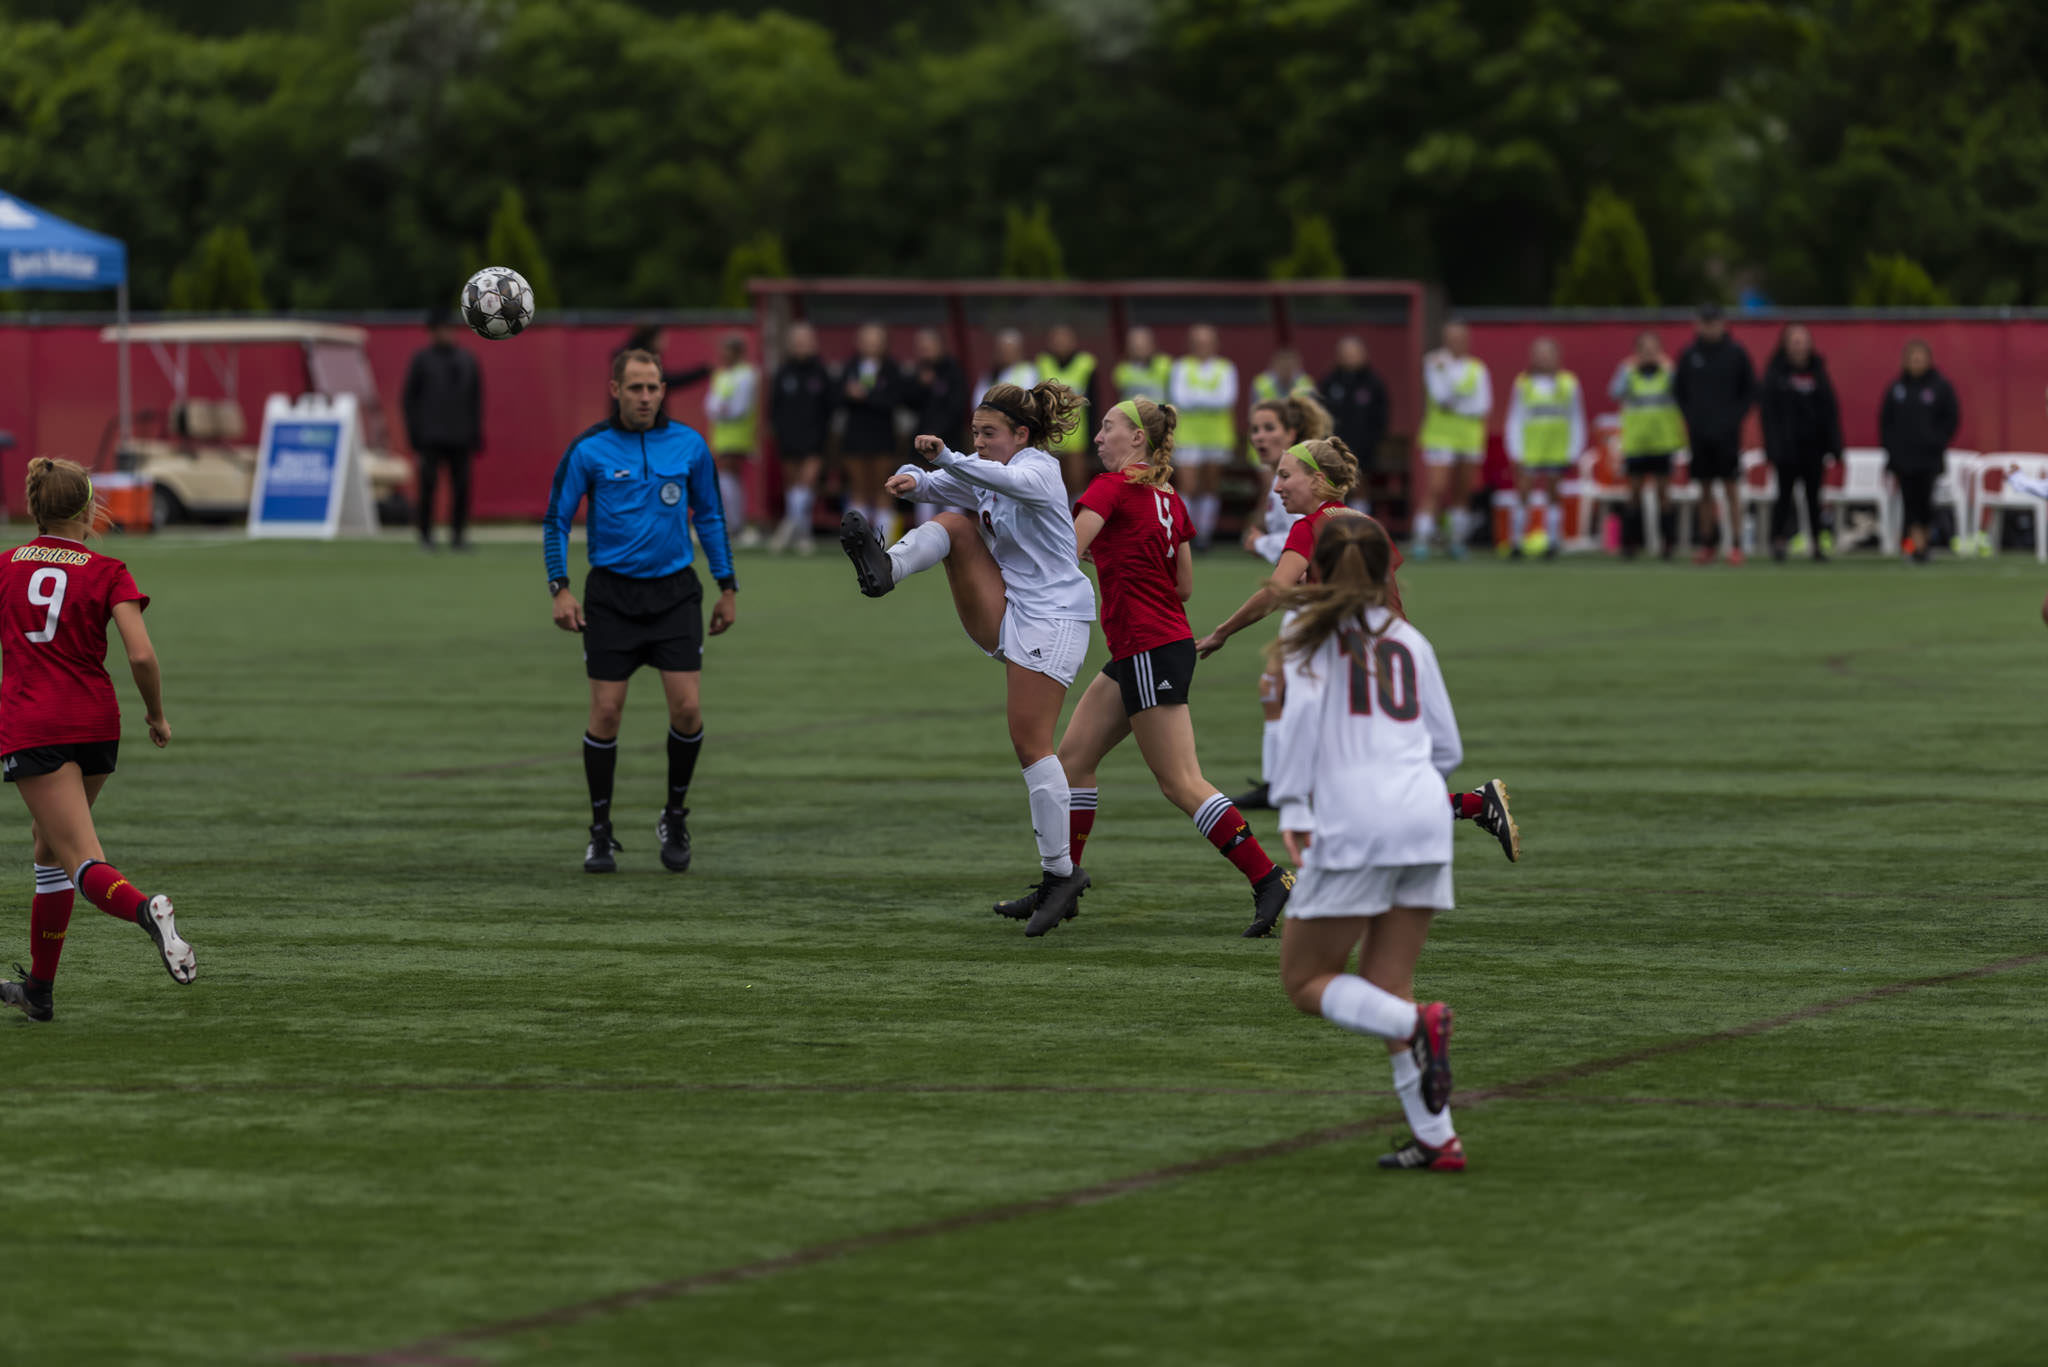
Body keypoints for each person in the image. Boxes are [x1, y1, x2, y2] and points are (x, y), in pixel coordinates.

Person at [1000, 397, 1293, 938]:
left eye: (1108, 427)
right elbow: (1182, 587)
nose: (1097, 437)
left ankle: (1269, 878)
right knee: (1072, 761)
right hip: (1154, 645)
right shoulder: (1168, 497)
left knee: (1181, 782)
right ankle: (1061, 882)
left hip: (1146, 647)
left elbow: (1066, 550)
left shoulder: (1110, 489)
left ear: (1137, 438)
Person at [838, 382, 1095, 932]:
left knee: (1032, 745)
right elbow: (941, 484)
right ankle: (886, 571)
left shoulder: (1038, 468)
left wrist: (948, 459)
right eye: (974, 432)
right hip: (1015, 607)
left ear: (1021, 435)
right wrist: (913, 479)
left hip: (1055, 617)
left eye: (988, 434)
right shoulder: (987, 466)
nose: (979, 443)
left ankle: (1061, 876)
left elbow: (986, 476)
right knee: (953, 523)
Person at [1197, 438, 1519, 864]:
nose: (1276, 487)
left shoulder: (1309, 527)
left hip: (1354, 661)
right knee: (1371, 773)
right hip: (1399, 655)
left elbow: (1276, 591)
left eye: (1285, 475)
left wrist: (1221, 632)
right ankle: (1473, 806)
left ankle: (1314, 822)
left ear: (1317, 479)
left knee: (1346, 771)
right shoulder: (1365, 523)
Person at [1271, 514, 1465, 1172]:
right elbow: (1448, 749)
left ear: (1315, 571)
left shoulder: (1303, 633)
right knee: (1388, 984)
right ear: (1390, 569)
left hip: (1356, 821)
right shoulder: (1411, 638)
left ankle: (1420, 1027)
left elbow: (1295, 722)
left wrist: (1293, 801)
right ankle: (1438, 1138)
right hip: (1425, 818)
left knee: (1304, 980)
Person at [0, 459, 194, 1022]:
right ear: (88, 510)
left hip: (35, 724)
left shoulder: (8, 566)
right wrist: (155, 715)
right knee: (48, 847)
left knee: (79, 858)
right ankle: (38, 990)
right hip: (95, 724)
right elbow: (140, 653)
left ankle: (147, 910)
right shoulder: (108, 570)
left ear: (34, 510)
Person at [544, 349, 738, 875]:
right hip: (612, 597)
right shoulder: (589, 448)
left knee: (689, 711)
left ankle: (674, 816)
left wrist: (727, 585)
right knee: (606, 714)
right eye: (636, 388)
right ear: (615, 390)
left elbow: (711, 516)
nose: (647, 397)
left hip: (676, 594)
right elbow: (556, 521)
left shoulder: (690, 445)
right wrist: (560, 588)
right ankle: (600, 832)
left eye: (654, 387)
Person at [1232, 392, 1334, 813]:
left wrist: (1262, 543)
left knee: (1285, 688)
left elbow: (1306, 541)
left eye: (1269, 428)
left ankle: (1288, 785)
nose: (1259, 436)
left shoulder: (1292, 480)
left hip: (1314, 597)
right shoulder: (1281, 478)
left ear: (1292, 433)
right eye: (1255, 429)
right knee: (1278, 688)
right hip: (1304, 597)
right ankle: (1284, 783)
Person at [1672, 303, 1756, 565]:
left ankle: (1736, 544)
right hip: (1700, 435)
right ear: (1697, 324)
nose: (1709, 327)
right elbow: (1679, 392)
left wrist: (1732, 419)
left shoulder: (1736, 353)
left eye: (1714, 321)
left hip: (1727, 436)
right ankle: (1708, 543)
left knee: (1731, 489)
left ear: (1723, 323)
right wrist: (1693, 419)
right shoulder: (1689, 355)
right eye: (1704, 322)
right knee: (1704, 490)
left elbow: (1750, 391)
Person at [1758, 323, 1843, 562]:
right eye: (1794, 340)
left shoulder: (1818, 372)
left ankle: (1817, 543)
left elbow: (1829, 410)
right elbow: (1768, 414)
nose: (1798, 345)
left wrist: (1835, 446)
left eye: (1802, 340)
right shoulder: (1776, 374)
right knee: (1784, 497)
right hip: (1785, 448)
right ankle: (1778, 541)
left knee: (1814, 497)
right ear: (1785, 344)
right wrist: (1772, 447)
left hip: (1813, 448)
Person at [402, 307, 483, 553]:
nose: (445, 334)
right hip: (430, 436)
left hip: (460, 436)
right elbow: (409, 401)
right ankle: (426, 534)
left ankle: (458, 535)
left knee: (462, 488)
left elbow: (476, 400)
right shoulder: (421, 361)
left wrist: (475, 434)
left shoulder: (467, 360)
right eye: (440, 330)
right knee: (428, 487)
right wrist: (414, 435)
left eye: (449, 329)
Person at [1411, 320, 1492, 559]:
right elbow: (1441, 396)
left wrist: (1457, 401)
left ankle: (1457, 541)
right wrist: (1463, 398)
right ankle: (1422, 540)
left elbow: (1483, 404)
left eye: (1460, 337)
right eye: (1451, 337)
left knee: (1462, 491)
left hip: (1469, 437)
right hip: (1440, 434)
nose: (1455, 342)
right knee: (1436, 488)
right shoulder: (1433, 361)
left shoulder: (1478, 367)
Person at [1501, 337, 1585, 558]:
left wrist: (1574, 448)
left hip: (1557, 448)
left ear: (1557, 356)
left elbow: (1576, 417)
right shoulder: (1523, 383)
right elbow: (1515, 417)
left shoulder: (1569, 383)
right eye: (1539, 353)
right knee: (1524, 492)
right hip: (1530, 448)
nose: (1544, 357)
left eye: (1548, 353)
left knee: (1553, 494)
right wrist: (1514, 448)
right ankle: (1517, 541)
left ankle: (1553, 541)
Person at [1879, 340, 1961, 565]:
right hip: (1903, 458)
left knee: (1925, 501)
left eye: (1920, 357)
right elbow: (1886, 422)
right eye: (1912, 357)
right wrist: (1892, 449)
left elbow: (1951, 418)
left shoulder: (1939, 386)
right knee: (1909, 502)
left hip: (1929, 458)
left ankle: (1924, 544)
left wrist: (1936, 441)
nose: (1916, 362)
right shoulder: (1897, 388)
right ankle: (1912, 545)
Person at [1609, 331, 1683, 558]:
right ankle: (1630, 543)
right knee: (1633, 493)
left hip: (1662, 442)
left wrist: (1669, 370)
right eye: (1644, 349)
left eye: (1653, 349)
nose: (1649, 354)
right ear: (1636, 352)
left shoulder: (1668, 372)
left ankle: (1668, 543)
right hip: (1637, 442)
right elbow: (1614, 392)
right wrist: (1627, 369)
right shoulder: (1629, 372)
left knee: (1664, 493)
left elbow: (1681, 390)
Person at [766, 322, 835, 555]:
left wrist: (823, 436)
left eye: (805, 341)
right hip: (789, 438)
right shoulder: (784, 372)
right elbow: (774, 407)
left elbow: (829, 408)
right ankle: (801, 533)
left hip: (814, 438)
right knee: (794, 487)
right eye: (797, 341)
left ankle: (790, 528)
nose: (801, 346)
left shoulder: (820, 372)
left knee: (806, 483)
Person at [1169, 323, 1239, 549]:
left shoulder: (1225, 367)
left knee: (1210, 485)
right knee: (1187, 485)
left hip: (1216, 436)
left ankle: (1204, 535)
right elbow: (1180, 398)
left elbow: (1226, 399)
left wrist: (1196, 397)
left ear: (1214, 344)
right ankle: (1185, 534)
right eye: (1197, 342)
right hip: (1187, 435)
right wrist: (1209, 397)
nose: (1202, 346)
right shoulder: (1180, 367)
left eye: (1206, 341)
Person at [838, 323, 906, 543]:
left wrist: (866, 396)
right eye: (866, 339)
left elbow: (895, 399)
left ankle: (883, 541)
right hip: (855, 435)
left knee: (883, 487)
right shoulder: (850, 366)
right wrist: (849, 394)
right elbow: (837, 397)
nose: (870, 344)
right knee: (858, 486)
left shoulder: (892, 369)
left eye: (875, 339)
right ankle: (857, 540)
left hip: (882, 435)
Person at [903, 327, 970, 525]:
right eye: (921, 348)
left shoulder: (954, 372)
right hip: (922, 441)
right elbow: (908, 402)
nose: (925, 352)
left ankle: (953, 531)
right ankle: (925, 531)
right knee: (923, 485)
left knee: (952, 485)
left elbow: (957, 408)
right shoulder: (918, 373)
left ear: (940, 346)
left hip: (949, 440)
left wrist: (937, 434)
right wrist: (920, 385)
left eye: (928, 347)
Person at [704, 334, 762, 549]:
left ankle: (736, 523)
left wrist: (721, 409)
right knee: (725, 476)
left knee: (730, 475)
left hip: (738, 434)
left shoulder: (747, 375)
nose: (724, 356)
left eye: (728, 351)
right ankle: (732, 522)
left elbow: (739, 408)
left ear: (738, 353)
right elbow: (709, 405)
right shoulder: (720, 374)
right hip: (721, 434)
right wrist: (720, 409)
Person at [1037, 323, 1101, 495]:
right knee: (1053, 483)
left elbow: (1094, 401)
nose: (1060, 344)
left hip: (1077, 435)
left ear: (1073, 341)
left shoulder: (1085, 363)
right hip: (1051, 435)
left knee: (1076, 482)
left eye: (1065, 339)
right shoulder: (1043, 363)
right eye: (1056, 340)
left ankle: (1076, 517)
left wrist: (1092, 439)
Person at [1319, 335, 1390, 492]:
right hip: (1333, 445)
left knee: (1360, 482)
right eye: (1346, 353)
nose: (1350, 357)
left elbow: (1381, 416)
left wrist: (1373, 440)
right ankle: (1334, 514)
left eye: (1354, 353)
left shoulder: (1373, 384)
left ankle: (1360, 513)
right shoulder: (1329, 383)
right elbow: (1320, 413)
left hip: (1364, 447)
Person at [1114, 326, 1173, 403]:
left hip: (1161, 413)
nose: (1140, 349)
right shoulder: (1122, 370)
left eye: (1144, 344)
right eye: (1136, 346)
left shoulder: (1165, 364)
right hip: (1132, 414)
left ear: (1152, 344)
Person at [980, 328, 1038, 400]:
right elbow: (979, 399)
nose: (1005, 353)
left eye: (1010, 349)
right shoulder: (990, 375)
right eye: (1002, 349)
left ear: (1019, 351)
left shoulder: (1028, 371)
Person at [1253, 347, 1317, 404]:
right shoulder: (1261, 384)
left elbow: (1312, 413)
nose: (1286, 370)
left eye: (1289, 366)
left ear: (1297, 366)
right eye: (1282, 366)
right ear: (1274, 365)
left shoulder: (1306, 384)